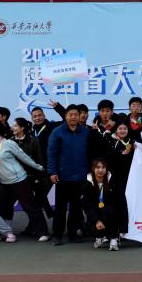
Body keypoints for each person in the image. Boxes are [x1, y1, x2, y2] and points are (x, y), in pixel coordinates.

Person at [0, 118, 48, 242]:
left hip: (19, 180)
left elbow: (24, 157)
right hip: (5, 183)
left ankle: (43, 232)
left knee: (30, 206)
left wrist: (39, 167)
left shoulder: (9, 143)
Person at [47, 104, 92, 245]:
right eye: (70, 114)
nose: (73, 117)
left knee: (76, 208)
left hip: (81, 176)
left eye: (76, 114)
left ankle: (73, 233)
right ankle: (57, 234)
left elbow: (90, 153)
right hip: (62, 176)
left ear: (79, 116)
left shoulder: (86, 132)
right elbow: (51, 154)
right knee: (60, 208)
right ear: (65, 116)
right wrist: (52, 172)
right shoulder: (57, 132)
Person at [81, 157, 127, 251]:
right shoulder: (87, 185)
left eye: (103, 167)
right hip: (95, 214)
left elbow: (121, 203)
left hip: (111, 214)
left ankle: (114, 239)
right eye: (98, 167)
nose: (100, 170)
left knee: (110, 210)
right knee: (92, 225)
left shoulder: (113, 182)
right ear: (93, 169)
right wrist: (97, 220)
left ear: (106, 169)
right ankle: (99, 236)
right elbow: (88, 206)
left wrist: (123, 226)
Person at [105, 122, 135, 186]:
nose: (122, 131)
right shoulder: (111, 141)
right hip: (114, 174)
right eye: (120, 129)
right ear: (116, 130)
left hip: (128, 175)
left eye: (125, 129)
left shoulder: (131, 142)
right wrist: (121, 154)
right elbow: (109, 157)